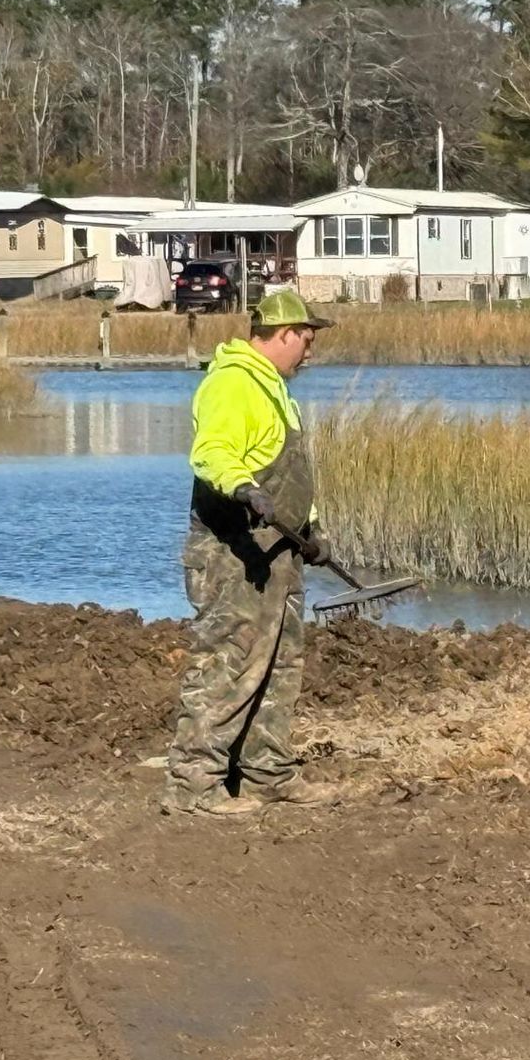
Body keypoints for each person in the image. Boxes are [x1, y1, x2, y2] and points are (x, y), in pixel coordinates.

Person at [163, 290, 339, 817]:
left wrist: (311, 528)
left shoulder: (274, 390)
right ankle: (193, 784)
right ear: (283, 334)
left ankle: (267, 771)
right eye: (306, 340)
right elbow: (213, 452)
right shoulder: (232, 384)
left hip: (277, 553)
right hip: (232, 552)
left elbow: (287, 471)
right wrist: (244, 488)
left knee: (280, 665)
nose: (309, 352)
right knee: (229, 662)